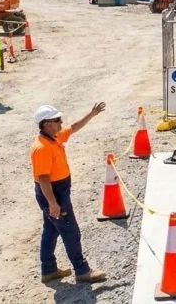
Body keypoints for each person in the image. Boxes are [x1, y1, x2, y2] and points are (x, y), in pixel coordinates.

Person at [31, 103, 108, 284]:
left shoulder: (54, 137)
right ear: (46, 124)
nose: (61, 122)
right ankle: (82, 271)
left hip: (58, 191)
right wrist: (53, 203)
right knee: (70, 231)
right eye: (57, 120)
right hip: (53, 193)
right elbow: (43, 179)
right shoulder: (41, 148)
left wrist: (91, 114)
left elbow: (73, 128)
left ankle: (48, 270)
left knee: (50, 230)